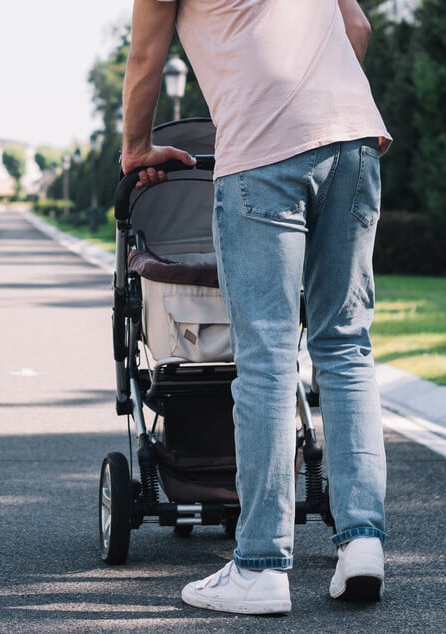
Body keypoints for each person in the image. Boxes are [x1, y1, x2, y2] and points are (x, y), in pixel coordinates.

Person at [120, 0, 390, 615]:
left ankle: (261, 565)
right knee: (345, 347)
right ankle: (363, 542)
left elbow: (144, 56)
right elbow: (356, 27)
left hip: (264, 146)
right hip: (354, 136)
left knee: (267, 358)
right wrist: (327, 107)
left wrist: (136, 149)